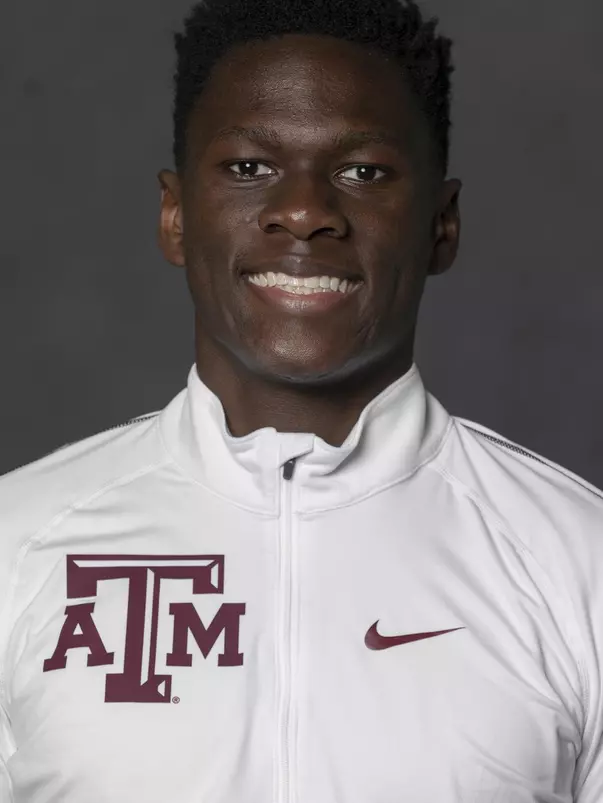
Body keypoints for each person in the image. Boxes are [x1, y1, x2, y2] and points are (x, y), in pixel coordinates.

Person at [0, 0, 602, 800]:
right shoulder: (20, 542)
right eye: (249, 167)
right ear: (176, 215)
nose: (307, 211)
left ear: (441, 225)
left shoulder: (575, 559)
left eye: (362, 172)